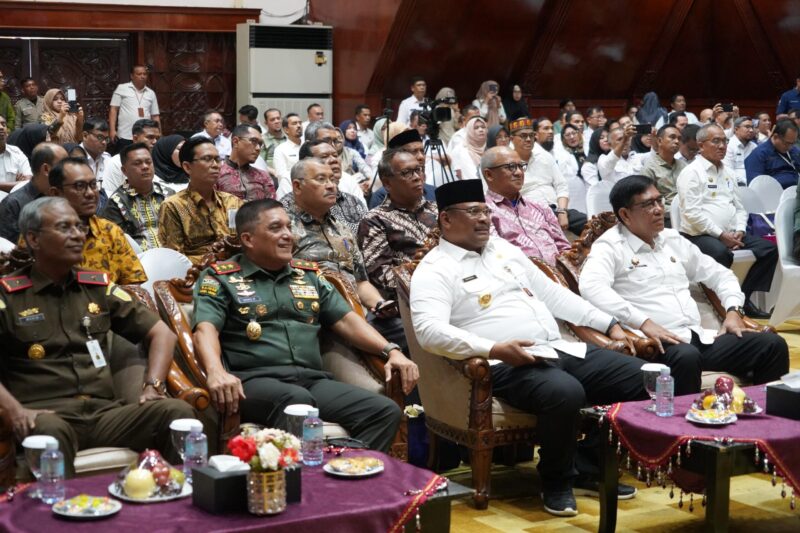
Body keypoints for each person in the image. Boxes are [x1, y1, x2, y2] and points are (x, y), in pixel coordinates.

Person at [410, 180, 646, 517]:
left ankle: (590, 466)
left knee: (641, 376)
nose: (484, 220)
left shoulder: (503, 250)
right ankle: (556, 481)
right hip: (503, 364)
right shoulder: (435, 269)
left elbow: (554, 295)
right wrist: (494, 348)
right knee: (564, 391)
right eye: (474, 213)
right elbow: (429, 332)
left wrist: (608, 324)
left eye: (485, 211)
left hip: (556, 348)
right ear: (446, 220)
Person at [191, 199, 418, 450]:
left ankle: (343, 475)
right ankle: (300, 484)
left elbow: (346, 320)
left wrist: (391, 350)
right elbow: (205, 328)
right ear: (248, 239)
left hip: (312, 381)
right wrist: (215, 371)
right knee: (297, 401)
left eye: (289, 227)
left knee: (383, 410)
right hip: (253, 381)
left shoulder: (308, 276)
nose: (288, 235)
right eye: (276, 228)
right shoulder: (221, 277)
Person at [0, 196, 195, 476]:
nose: (78, 235)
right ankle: (53, 515)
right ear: (33, 238)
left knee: (176, 413)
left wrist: (152, 385)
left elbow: (161, 333)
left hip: (106, 414)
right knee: (49, 433)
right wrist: (15, 411)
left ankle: (180, 507)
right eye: (65, 228)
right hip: (47, 415)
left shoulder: (96, 287)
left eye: (79, 227)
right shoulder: (8, 296)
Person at [580, 175, 789, 394]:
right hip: (654, 345)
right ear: (625, 214)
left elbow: (721, 275)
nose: (659, 209)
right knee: (687, 356)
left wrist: (733, 311)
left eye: (659, 201)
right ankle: (684, 428)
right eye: (648, 204)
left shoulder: (671, 240)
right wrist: (642, 322)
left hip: (699, 338)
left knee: (772, 345)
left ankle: (765, 421)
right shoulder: (610, 246)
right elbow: (591, 287)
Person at [676, 124, 777, 318]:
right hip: (699, 235)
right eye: (716, 141)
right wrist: (721, 235)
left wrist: (740, 230)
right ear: (701, 145)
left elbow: (739, 207)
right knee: (721, 253)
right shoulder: (692, 173)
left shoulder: (729, 172)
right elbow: (692, 214)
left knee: (769, 249)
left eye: (724, 141)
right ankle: (719, 306)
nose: (722, 145)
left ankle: (742, 300)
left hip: (731, 233)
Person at [45, 157, 147, 284]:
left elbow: (134, 283)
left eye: (93, 185)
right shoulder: (40, 235)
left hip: (111, 303)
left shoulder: (110, 232)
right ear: (55, 193)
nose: (90, 193)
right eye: (80, 186)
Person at [357, 149, 437, 301]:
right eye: (407, 173)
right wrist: (431, 285)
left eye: (418, 170)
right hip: (410, 301)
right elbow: (381, 276)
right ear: (387, 183)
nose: (417, 177)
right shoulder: (375, 220)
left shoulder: (438, 210)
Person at [158, 137, 243, 264]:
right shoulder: (173, 206)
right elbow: (176, 259)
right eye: (207, 159)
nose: (215, 165)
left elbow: (240, 243)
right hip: (198, 275)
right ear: (187, 167)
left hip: (235, 270)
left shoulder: (232, 202)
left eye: (217, 159)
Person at [482, 146, 570, 265]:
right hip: (522, 280)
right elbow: (498, 259)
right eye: (511, 167)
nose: (519, 172)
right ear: (489, 175)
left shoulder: (540, 207)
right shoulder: (484, 213)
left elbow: (564, 247)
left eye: (521, 166)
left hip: (560, 277)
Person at [510, 118, 586, 235]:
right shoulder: (507, 163)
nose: (529, 139)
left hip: (556, 209)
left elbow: (561, 186)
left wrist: (562, 212)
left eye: (531, 135)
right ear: (512, 139)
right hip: (529, 213)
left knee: (591, 224)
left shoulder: (544, 157)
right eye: (523, 136)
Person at [101, 142, 174, 251]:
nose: (145, 167)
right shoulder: (117, 202)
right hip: (138, 261)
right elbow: (114, 242)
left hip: (175, 256)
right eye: (137, 163)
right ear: (124, 171)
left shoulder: (168, 194)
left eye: (148, 162)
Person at [0, 142, 66, 241]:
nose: (69, 170)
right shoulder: (13, 204)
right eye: (63, 165)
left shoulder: (68, 195)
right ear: (46, 169)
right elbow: (9, 250)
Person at [102, 118, 161, 196]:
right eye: (150, 137)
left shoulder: (160, 160)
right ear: (135, 138)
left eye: (157, 138)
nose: (155, 142)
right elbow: (109, 195)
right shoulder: (116, 162)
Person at [640, 124, 686, 226]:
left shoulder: (684, 166)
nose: (677, 141)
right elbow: (647, 202)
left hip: (687, 212)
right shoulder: (649, 168)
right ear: (659, 141)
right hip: (665, 218)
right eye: (672, 137)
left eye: (679, 138)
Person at [217, 124, 275, 201]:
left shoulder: (263, 176)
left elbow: (272, 207)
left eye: (260, 144)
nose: (258, 148)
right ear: (236, 141)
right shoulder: (217, 174)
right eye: (254, 141)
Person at [108, 65, 160, 151]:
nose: (142, 76)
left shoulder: (151, 93)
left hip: (145, 136)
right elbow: (113, 109)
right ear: (132, 76)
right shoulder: (122, 88)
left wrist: (158, 134)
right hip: (125, 135)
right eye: (139, 74)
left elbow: (155, 116)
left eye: (144, 74)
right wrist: (112, 130)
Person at [744, 119, 800, 189]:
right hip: (775, 194)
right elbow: (755, 186)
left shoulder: (794, 150)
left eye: (793, 143)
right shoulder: (759, 154)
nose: (790, 147)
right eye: (787, 143)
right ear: (776, 137)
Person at [720, 117, 757, 185]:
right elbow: (728, 171)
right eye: (747, 127)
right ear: (736, 129)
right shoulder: (728, 146)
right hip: (733, 184)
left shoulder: (754, 146)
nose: (751, 130)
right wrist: (745, 182)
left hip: (753, 183)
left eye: (752, 127)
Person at [273, 113, 303, 194]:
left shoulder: (308, 146)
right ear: (286, 129)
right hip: (289, 190)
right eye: (294, 123)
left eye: (300, 123)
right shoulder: (280, 149)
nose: (299, 125)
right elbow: (281, 175)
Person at [449, 116, 487, 181]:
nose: (481, 130)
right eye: (476, 128)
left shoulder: (490, 147)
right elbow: (470, 176)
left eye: (483, 127)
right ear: (469, 131)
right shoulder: (462, 151)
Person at [0, 116, 32, 191]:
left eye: (3, 124)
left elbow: (28, 182)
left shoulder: (16, 152)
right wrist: (17, 184)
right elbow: (23, 185)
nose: (1, 127)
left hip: (13, 201)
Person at [259, 108, 284, 176]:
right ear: (266, 123)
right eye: (272, 120)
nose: (277, 121)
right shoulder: (262, 139)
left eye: (278, 118)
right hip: (271, 176)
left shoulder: (289, 138)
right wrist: (273, 172)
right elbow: (259, 162)